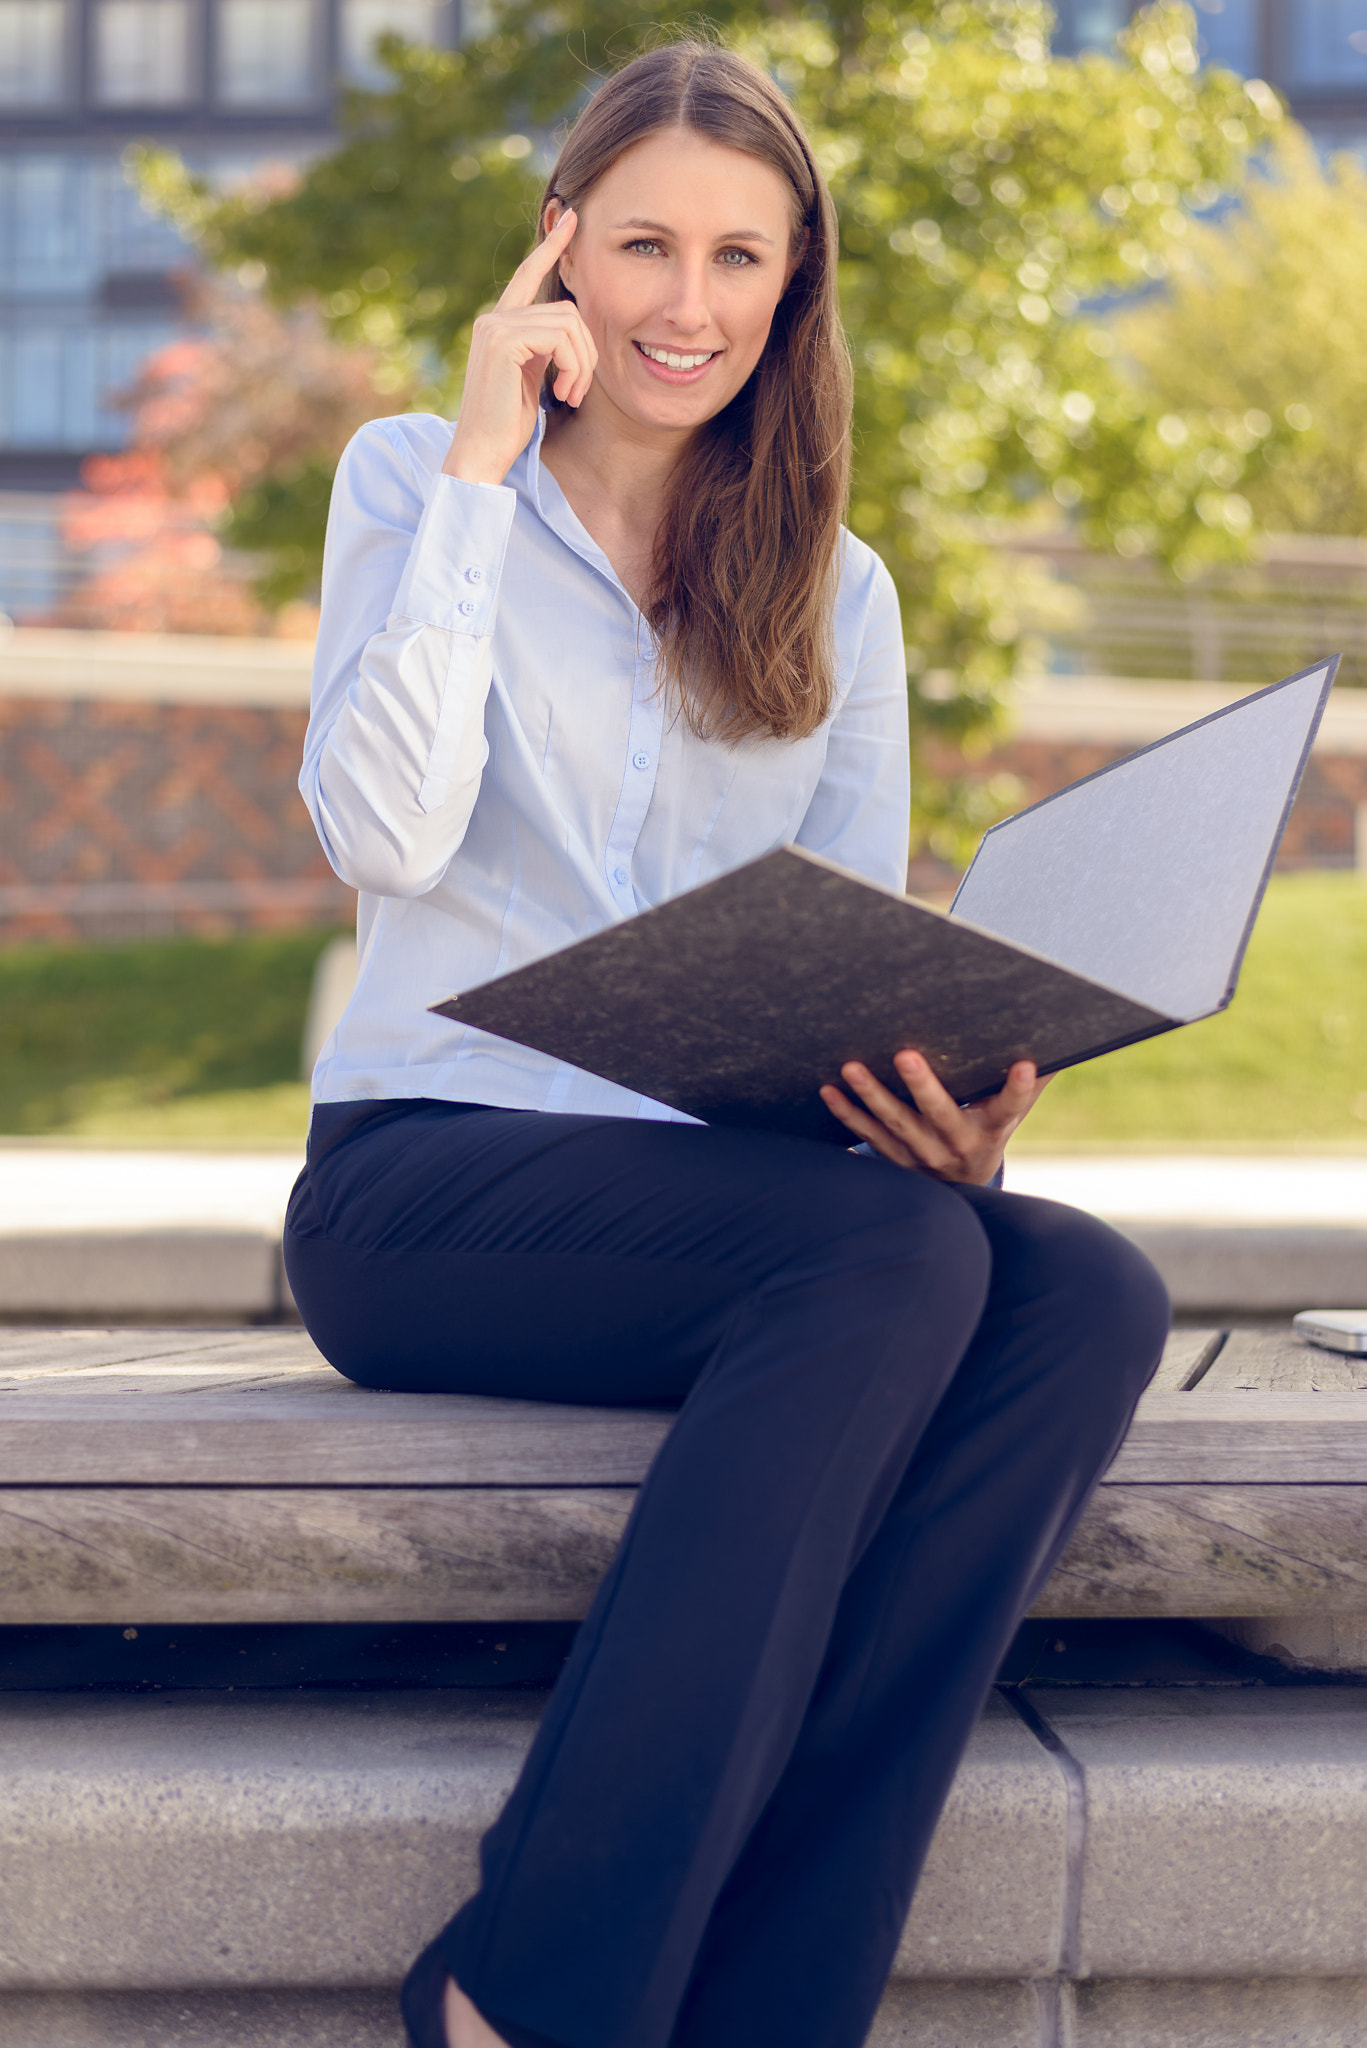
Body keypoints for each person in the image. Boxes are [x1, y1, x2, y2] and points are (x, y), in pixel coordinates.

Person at [283, 39, 1169, 2048]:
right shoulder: (417, 484)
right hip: (428, 1181)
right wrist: (487, 472)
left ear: (794, 288)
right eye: (649, 246)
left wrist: (926, 1111)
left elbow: (845, 957)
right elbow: (379, 831)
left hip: (725, 1196)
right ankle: (534, 1990)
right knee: (880, 1259)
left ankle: (772, 2004)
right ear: (559, 255)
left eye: (741, 258)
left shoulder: (835, 595)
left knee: (1080, 1292)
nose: (690, 305)